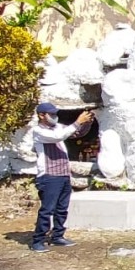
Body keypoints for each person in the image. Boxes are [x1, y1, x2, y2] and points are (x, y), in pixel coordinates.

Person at [30, 102, 94, 252]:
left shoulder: (58, 127)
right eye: (51, 114)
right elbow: (59, 137)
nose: (54, 116)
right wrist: (78, 121)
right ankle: (38, 240)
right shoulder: (38, 131)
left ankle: (58, 236)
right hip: (49, 175)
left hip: (64, 173)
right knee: (47, 210)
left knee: (62, 209)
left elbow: (76, 133)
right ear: (41, 115)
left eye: (55, 114)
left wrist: (87, 123)